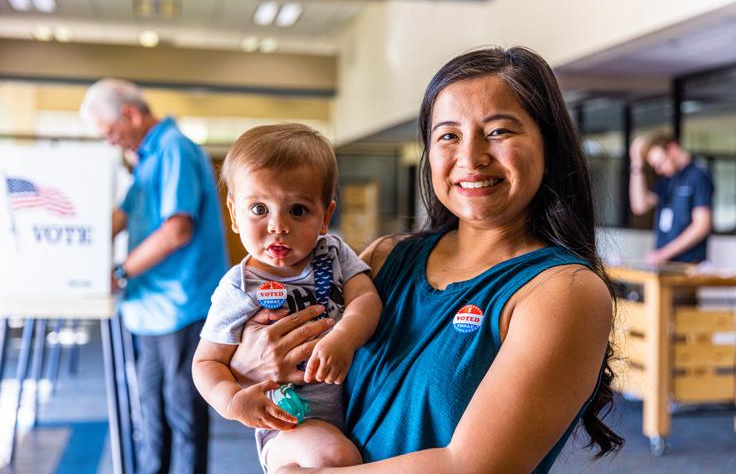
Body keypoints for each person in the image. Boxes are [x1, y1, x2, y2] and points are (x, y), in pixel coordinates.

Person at [228, 46, 624, 473]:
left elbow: (471, 468)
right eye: (449, 135)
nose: (470, 157)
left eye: (499, 131)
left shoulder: (563, 292)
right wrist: (246, 363)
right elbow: (274, 378)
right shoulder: (383, 259)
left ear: (549, 144)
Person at [191, 124, 382, 472]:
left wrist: (344, 335)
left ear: (325, 217)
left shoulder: (332, 253)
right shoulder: (240, 286)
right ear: (234, 215)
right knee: (334, 458)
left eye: (297, 210)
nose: (278, 225)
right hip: (288, 421)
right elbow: (206, 363)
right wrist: (233, 401)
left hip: (352, 410)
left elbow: (365, 300)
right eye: (259, 209)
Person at [80, 78, 228, 474]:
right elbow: (122, 215)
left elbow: (176, 230)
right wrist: (75, 249)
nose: (111, 142)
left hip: (181, 306)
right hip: (149, 308)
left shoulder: (175, 149)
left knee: (183, 415)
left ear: (130, 113)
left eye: (111, 132)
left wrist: (118, 271)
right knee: (151, 411)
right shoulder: (147, 157)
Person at [629, 133, 714, 265]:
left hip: (687, 264)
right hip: (664, 263)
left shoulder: (698, 175)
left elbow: (701, 225)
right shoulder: (668, 179)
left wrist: (663, 254)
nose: (659, 170)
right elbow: (639, 205)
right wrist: (636, 164)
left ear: (672, 149)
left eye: (660, 163)